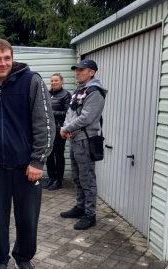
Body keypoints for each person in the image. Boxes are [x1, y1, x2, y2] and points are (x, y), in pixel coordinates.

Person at [0, 39, 54, 269]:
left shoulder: (31, 81)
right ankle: (0, 259)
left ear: (12, 59)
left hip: (27, 168)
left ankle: (23, 258)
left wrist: (38, 159)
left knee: (27, 218)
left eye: (7, 58)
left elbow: (45, 123)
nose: (3, 63)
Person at [59, 59, 107, 230]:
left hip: (86, 140)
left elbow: (87, 117)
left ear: (91, 73)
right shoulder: (79, 90)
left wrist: (66, 128)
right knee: (77, 177)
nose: (77, 72)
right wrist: (65, 128)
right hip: (75, 139)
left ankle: (90, 214)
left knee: (87, 178)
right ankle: (80, 207)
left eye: (81, 70)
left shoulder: (95, 91)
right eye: (76, 70)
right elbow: (70, 112)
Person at [43, 73, 71, 191]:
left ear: (61, 82)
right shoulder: (48, 94)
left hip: (59, 130)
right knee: (48, 155)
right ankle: (51, 178)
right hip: (48, 129)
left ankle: (58, 180)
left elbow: (67, 113)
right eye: (52, 81)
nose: (53, 83)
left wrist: (51, 113)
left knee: (58, 155)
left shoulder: (65, 95)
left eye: (56, 80)